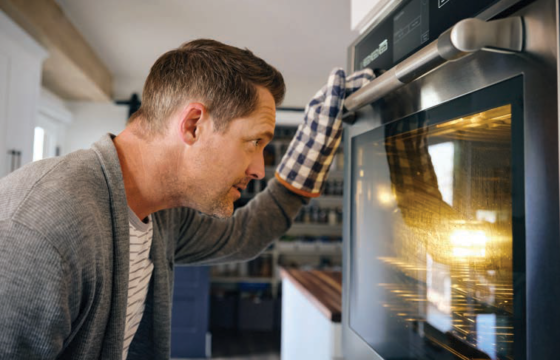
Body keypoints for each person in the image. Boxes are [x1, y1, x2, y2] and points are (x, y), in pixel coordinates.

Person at [0, 39, 373, 359]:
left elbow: (243, 234)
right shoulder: (42, 227)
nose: (260, 168)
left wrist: (311, 148)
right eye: (254, 142)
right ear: (193, 125)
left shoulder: (162, 212)